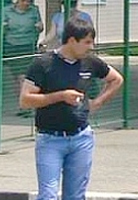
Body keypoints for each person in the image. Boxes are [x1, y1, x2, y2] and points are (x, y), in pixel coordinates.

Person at [19, 16, 124, 200]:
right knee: (48, 195)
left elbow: (116, 79)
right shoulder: (43, 64)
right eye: (87, 42)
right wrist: (60, 96)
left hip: (81, 138)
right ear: (72, 40)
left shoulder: (90, 62)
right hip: (50, 139)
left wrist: (97, 102)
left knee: (75, 196)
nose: (91, 47)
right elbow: (25, 100)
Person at [3, 0, 44, 113]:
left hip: (27, 45)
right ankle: (22, 103)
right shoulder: (7, 11)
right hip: (12, 45)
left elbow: (40, 26)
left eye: (28, 1)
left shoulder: (34, 10)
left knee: (23, 76)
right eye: (23, 1)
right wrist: (4, 27)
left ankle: (25, 106)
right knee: (17, 77)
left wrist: (39, 27)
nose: (26, 4)